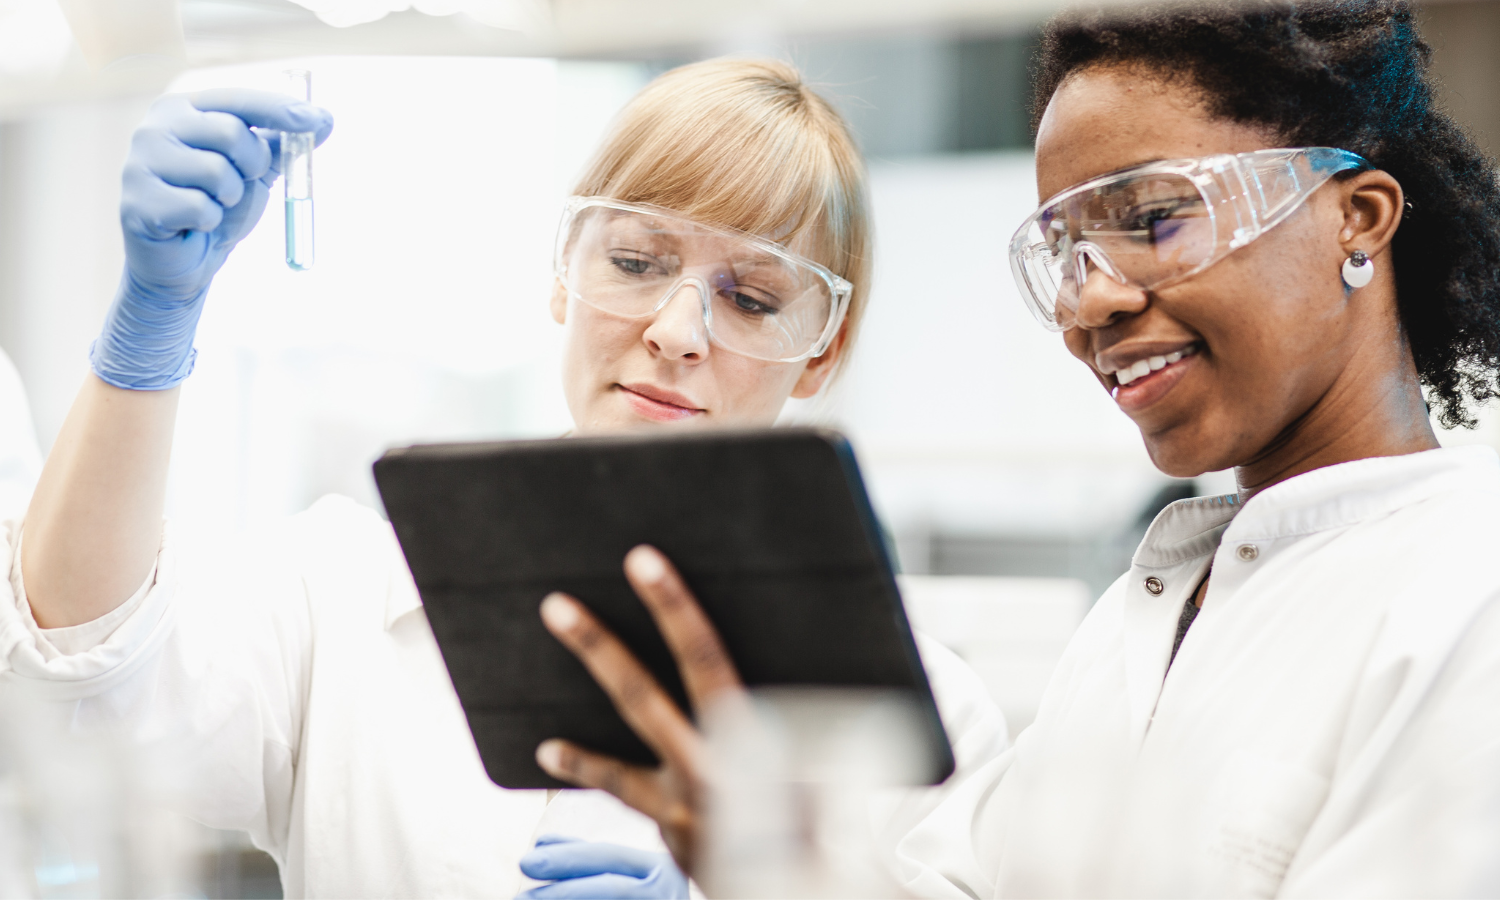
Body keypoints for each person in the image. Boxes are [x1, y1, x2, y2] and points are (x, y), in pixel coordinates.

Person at [530, 2, 1500, 896]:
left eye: (1154, 219)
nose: (1089, 302)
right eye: (1065, 253)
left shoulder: (1466, 605)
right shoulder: (1132, 629)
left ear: (1356, 217)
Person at [0, 60, 1007, 897]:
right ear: (560, 272)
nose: (675, 331)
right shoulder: (347, 589)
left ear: (821, 352)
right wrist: (149, 328)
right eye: (637, 260)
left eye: (751, 297)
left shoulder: (930, 719)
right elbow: (78, 678)